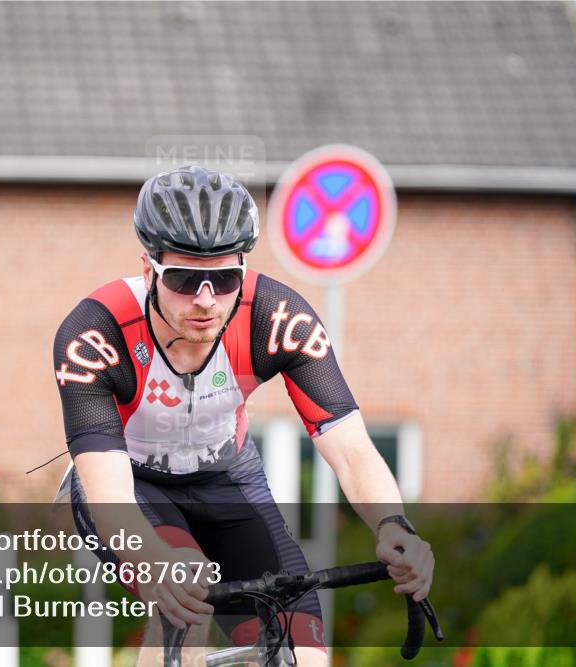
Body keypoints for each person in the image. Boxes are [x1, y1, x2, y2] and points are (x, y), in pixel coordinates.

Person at [52, 165, 433, 665]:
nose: (205, 300)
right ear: (149, 270)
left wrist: (393, 525)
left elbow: (351, 450)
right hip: (133, 485)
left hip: (227, 479)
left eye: (225, 279)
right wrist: (155, 562)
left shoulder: (277, 318)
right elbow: (111, 496)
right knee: (186, 599)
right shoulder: (96, 334)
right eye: (184, 279)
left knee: (303, 651)